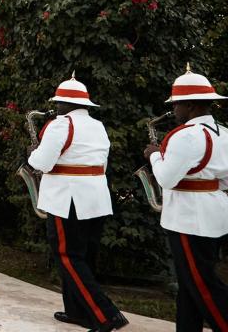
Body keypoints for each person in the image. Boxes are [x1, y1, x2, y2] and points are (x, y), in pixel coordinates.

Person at [28, 75, 127, 332]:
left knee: (67, 256)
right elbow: (102, 164)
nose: (56, 107)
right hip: (95, 198)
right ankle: (77, 312)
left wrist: (33, 154)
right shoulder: (98, 126)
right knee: (84, 257)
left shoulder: (60, 125)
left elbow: (42, 163)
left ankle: (105, 315)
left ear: (66, 104)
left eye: (59, 103)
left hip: (66, 199)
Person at [145, 65, 228, 332]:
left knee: (203, 286)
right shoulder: (224, 132)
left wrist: (154, 155)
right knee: (189, 284)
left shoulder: (185, 136)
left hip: (188, 219)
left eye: (177, 104)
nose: (174, 110)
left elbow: (166, 179)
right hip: (214, 213)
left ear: (191, 105)